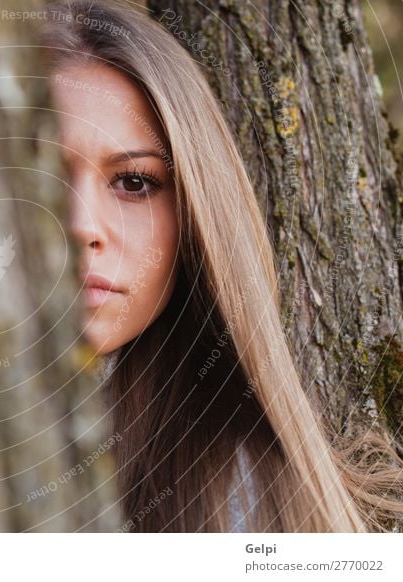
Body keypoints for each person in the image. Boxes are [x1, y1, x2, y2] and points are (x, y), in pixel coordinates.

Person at [41, 0, 403, 532]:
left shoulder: (245, 501)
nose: (81, 225)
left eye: (135, 182)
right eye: (37, 173)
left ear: (195, 216)